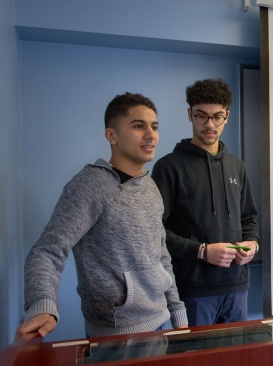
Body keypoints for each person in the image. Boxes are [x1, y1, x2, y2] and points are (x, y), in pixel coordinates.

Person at [16, 93, 188, 339]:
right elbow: (47, 249)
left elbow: (161, 256)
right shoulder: (90, 185)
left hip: (161, 323)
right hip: (116, 336)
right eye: (138, 126)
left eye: (154, 126)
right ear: (112, 135)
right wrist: (42, 306)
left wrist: (178, 316)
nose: (151, 135)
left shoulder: (150, 188)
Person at [151, 78, 259, 327]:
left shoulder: (237, 167)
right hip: (193, 290)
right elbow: (154, 232)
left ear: (227, 117)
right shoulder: (169, 167)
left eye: (217, 117)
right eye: (202, 116)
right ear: (190, 115)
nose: (210, 124)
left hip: (237, 286)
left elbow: (249, 219)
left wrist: (253, 244)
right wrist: (201, 251)